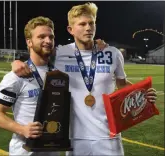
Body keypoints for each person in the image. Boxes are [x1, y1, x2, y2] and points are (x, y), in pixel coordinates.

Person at [11, 2, 157, 156]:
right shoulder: (59, 53)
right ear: (70, 29)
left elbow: (122, 84)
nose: (88, 28)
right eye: (82, 24)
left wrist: (142, 94)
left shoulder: (112, 53)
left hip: (109, 137)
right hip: (75, 139)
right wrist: (17, 62)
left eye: (91, 23)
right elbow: (37, 55)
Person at [0, 16, 61, 156]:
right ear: (29, 42)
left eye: (50, 37)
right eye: (41, 37)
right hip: (24, 152)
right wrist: (22, 129)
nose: (48, 41)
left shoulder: (58, 74)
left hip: (52, 150)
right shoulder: (16, 76)